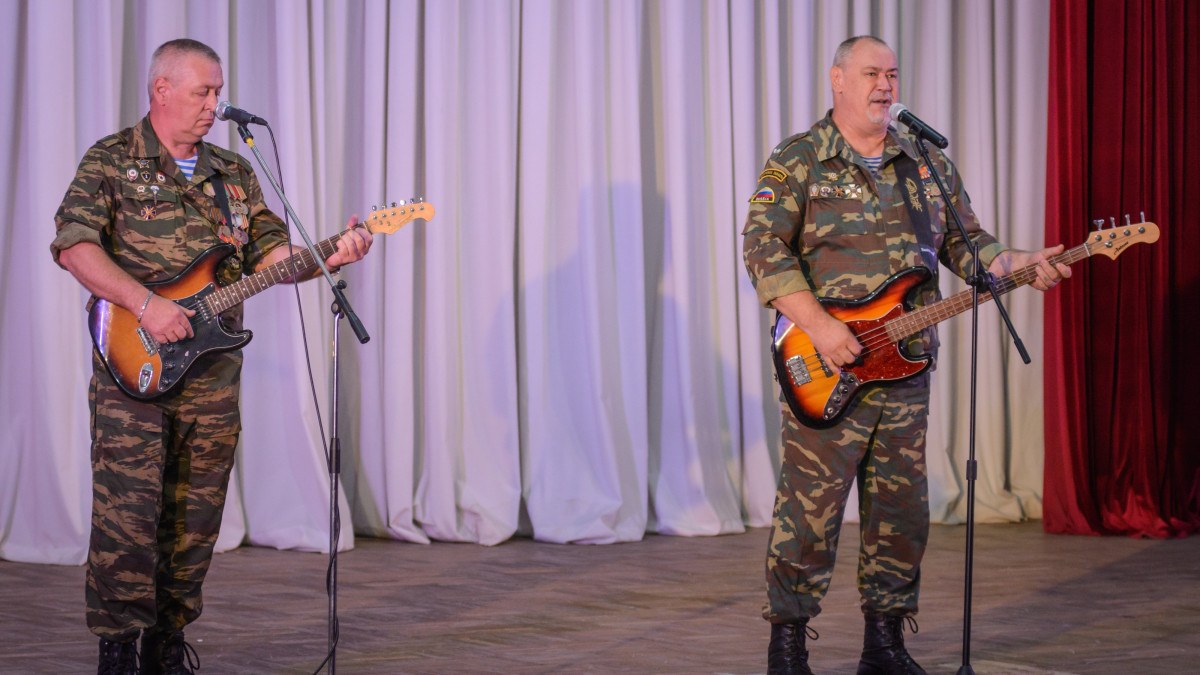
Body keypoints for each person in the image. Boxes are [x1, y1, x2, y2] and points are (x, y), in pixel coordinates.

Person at [741, 36, 1070, 675]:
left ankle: (884, 646)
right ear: (838, 79)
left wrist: (1019, 262)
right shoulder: (800, 158)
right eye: (871, 73)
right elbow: (763, 249)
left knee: (900, 513)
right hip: (828, 364)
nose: (885, 85)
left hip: (906, 366)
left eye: (891, 74)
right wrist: (821, 327)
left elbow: (966, 243)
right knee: (809, 512)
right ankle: (787, 647)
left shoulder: (924, 161)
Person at [51, 39, 373, 675]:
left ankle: (166, 644)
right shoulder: (112, 160)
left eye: (219, 93)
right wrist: (146, 304)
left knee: (195, 517)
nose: (215, 105)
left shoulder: (235, 172)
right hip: (132, 368)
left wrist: (330, 253)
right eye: (203, 92)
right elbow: (74, 247)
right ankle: (117, 648)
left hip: (212, 377)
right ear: (162, 90)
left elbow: (274, 260)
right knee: (126, 515)